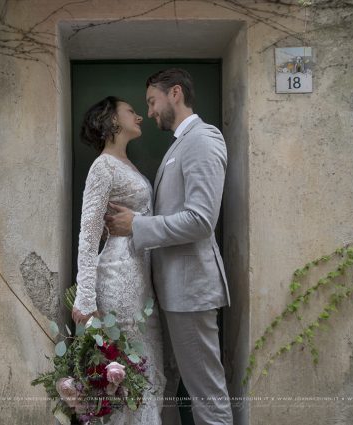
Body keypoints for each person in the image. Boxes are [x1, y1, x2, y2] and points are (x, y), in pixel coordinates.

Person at [104, 68, 234, 425]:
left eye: (152, 101)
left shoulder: (204, 139)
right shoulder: (181, 143)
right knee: (181, 386)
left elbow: (200, 219)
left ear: (174, 93)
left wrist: (137, 225)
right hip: (175, 291)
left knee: (206, 392)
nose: (149, 112)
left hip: (192, 291)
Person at [72, 96, 166, 424]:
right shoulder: (103, 166)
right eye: (130, 111)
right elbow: (88, 234)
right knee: (129, 371)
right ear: (112, 120)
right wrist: (85, 299)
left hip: (142, 277)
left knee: (146, 371)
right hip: (119, 276)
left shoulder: (126, 164)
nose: (139, 116)